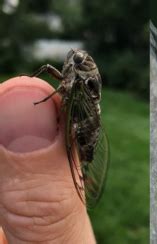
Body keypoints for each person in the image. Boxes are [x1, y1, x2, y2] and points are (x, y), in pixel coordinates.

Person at [0, 76, 96, 243]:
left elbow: (68, 94)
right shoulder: (74, 79)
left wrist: (42, 101)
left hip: (83, 123)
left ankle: (83, 168)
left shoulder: (79, 83)